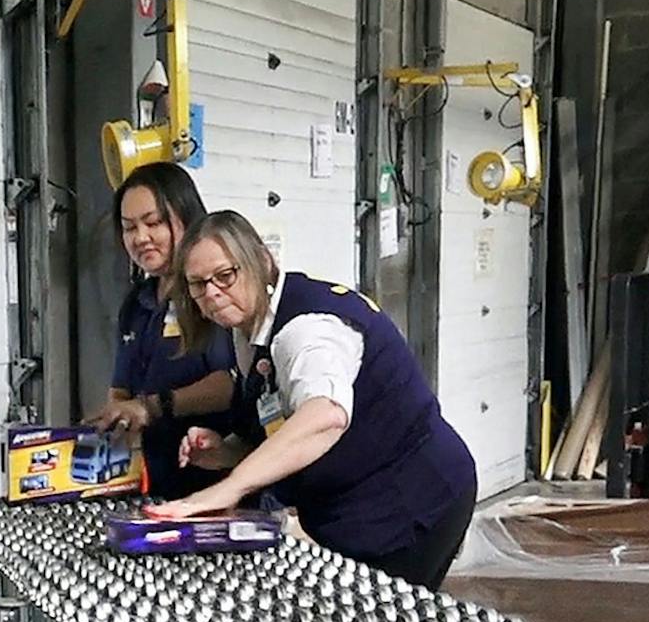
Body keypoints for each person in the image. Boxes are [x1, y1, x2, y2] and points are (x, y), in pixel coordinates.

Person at [151, 210, 479, 589]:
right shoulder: (247, 331)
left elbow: (325, 416)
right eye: (198, 284)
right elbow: (281, 421)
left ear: (261, 261)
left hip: (413, 500)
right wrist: (227, 451)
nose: (211, 293)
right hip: (351, 510)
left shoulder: (307, 329)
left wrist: (229, 487)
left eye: (225, 276)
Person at [84, 162, 237, 498]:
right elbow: (122, 392)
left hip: (219, 485)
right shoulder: (136, 304)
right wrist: (114, 419)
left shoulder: (213, 294)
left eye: (153, 223)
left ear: (186, 217)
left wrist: (153, 406)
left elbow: (228, 382)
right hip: (154, 486)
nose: (140, 238)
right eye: (129, 228)